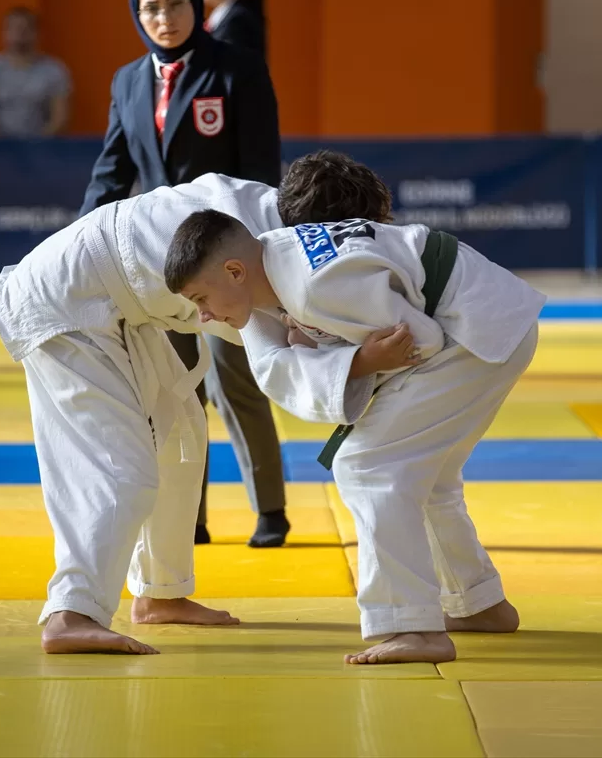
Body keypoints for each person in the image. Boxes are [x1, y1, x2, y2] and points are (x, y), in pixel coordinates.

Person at [0, 168, 415, 656]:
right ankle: (71, 613)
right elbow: (273, 359)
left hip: (124, 307)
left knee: (181, 442)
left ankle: (159, 593)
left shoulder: (271, 229)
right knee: (118, 468)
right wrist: (359, 361)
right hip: (66, 301)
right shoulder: (248, 248)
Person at [163, 150, 547, 665]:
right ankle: (478, 602)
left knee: (367, 465)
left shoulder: (314, 284)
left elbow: (419, 342)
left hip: (474, 331)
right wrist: (340, 351)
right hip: (486, 319)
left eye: (200, 299)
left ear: (234, 271)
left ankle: (412, 625)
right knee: (424, 479)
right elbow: (294, 361)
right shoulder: (274, 267)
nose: (203, 317)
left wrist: (351, 356)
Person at [79, 0, 287, 548]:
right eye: (151, 8)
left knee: (235, 382)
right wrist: (77, 243)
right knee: (172, 390)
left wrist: (253, 259)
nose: (164, 18)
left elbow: (259, 174)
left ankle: (270, 510)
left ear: (195, 4)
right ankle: (187, 517)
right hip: (156, 264)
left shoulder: (238, 68)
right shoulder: (128, 81)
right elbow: (112, 172)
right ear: (136, 14)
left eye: (175, 3)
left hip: (226, 257)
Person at [0, 7, 72, 137]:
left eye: (26, 29)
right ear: (4, 33)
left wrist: (38, 143)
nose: (20, 34)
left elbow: (60, 117)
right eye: (15, 28)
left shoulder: (55, 71)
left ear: (36, 32)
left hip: (43, 144)